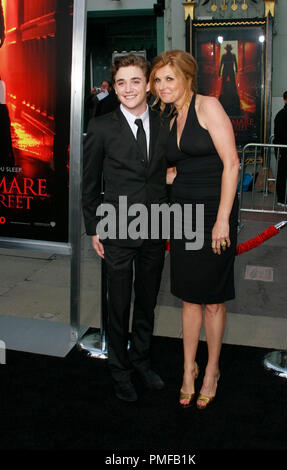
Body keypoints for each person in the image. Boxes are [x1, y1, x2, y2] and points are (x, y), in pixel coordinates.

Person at [150, 50, 239, 410]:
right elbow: (176, 170)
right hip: (182, 213)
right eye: (157, 80)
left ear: (188, 79)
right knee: (188, 297)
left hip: (213, 213)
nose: (161, 86)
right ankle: (188, 369)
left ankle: (212, 370)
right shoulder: (172, 116)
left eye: (169, 78)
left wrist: (222, 219)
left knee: (213, 300)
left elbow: (231, 164)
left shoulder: (208, 106)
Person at [82, 54, 169, 402]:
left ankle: (141, 361)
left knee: (147, 302)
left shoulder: (165, 123)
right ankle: (119, 371)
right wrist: (94, 228)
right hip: (116, 229)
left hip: (155, 227)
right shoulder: (102, 127)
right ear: (113, 87)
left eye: (135, 81)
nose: (129, 88)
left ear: (148, 84)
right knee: (118, 305)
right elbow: (90, 184)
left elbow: (169, 169)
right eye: (121, 82)